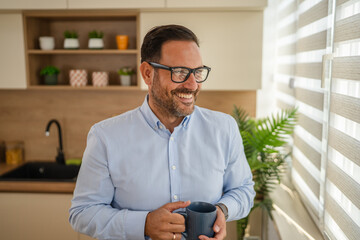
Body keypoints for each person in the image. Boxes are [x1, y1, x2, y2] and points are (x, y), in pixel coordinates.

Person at [69, 24, 255, 240]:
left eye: (197, 72)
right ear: (148, 74)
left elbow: (243, 190)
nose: (193, 84)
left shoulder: (224, 128)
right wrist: (144, 224)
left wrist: (222, 210)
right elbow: (83, 213)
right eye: (180, 72)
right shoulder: (105, 137)